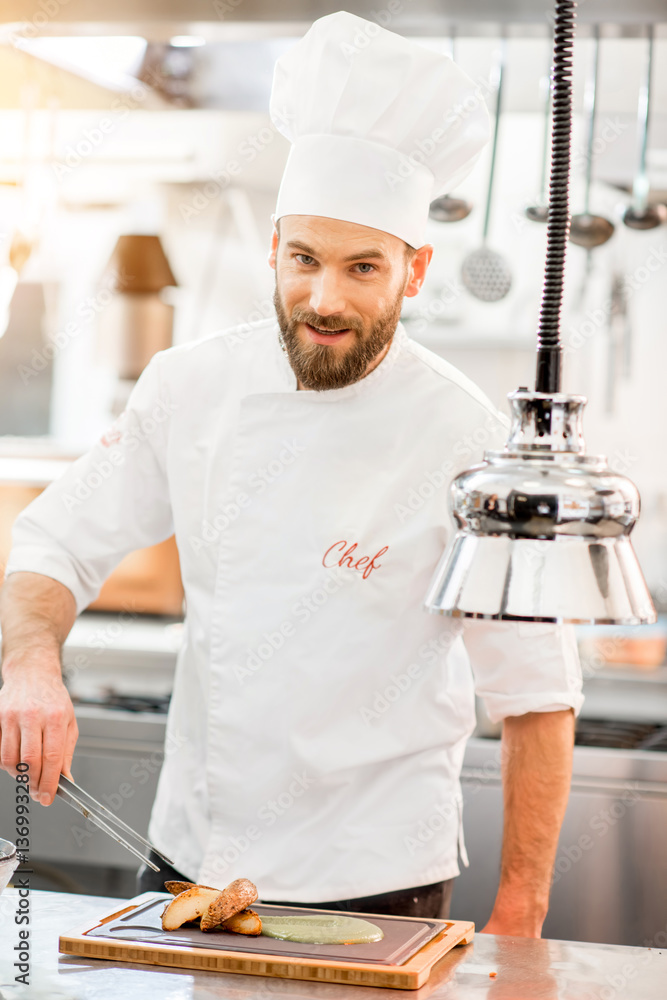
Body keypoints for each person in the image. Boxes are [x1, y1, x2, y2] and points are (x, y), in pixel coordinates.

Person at [0, 12, 583, 931]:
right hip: (191, 857)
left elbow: (537, 696)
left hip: (379, 874)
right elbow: (52, 543)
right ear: (272, 248)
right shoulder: (189, 388)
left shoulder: (469, 442)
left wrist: (521, 912)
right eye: (305, 259)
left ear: (415, 271)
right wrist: (31, 664)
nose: (324, 299)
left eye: (362, 268)